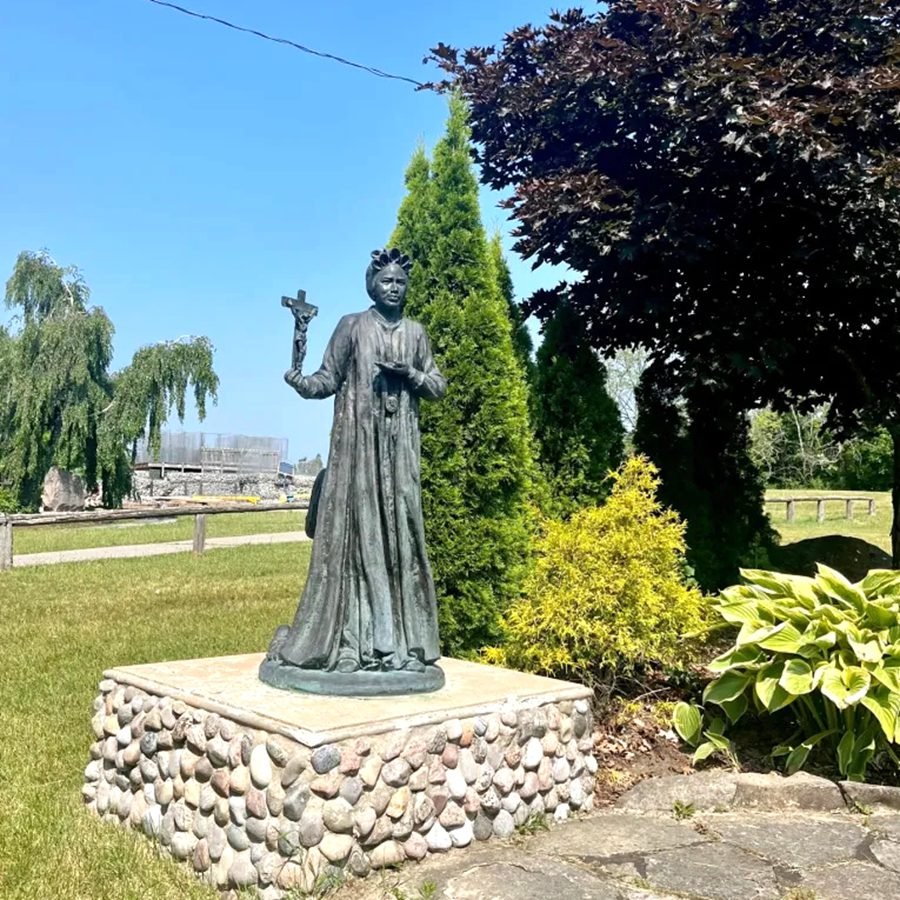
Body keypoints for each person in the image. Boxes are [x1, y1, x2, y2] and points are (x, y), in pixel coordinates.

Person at [260, 248, 447, 694]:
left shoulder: (416, 334)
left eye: (400, 282)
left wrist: (411, 377)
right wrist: (301, 382)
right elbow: (328, 378)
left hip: (399, 456)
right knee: (354, 539)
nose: (394, 287)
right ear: (372, 285)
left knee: (396, 538)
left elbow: (437, 385)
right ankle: (350, 641)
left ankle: (397, 643)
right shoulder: (351, 326)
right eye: (387, 281)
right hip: (358, 454)